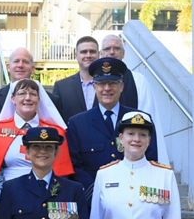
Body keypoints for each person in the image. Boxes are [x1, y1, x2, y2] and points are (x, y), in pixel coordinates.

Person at [67, 57, 158, 190]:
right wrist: (96, 190)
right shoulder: (77, 124)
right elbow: (76, 166)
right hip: (93, 197)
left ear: (121, 86)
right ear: (94, 86)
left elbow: (150, 158)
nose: (107, 88)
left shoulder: (141, 120)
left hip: (132, 195)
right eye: (101, 84)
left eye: (112, 83)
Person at [0, 78, 73, 184]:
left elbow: (63, 175)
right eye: (22, 93)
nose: (27, 98)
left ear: (39, 99)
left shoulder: (56, 132)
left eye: (33, 94)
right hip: (6, 192)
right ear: (13, 99)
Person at [100, 34, 169, 163]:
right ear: (101, 53)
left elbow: (148, 119)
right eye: (107, 48)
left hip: (133, 156)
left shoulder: (139, 81)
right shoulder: (94, 82)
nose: (112, 52)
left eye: (117, 48)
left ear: (124, 53)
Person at [53, 36, 138, 124]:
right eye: (83, 52)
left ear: (99, 54)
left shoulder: (113, 85)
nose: (88, 55)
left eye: (92, 52)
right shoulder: (62, 87)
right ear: (76, 55)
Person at [0, 47, 60, 125]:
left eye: (25, 62)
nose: (20, 65)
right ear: (8, 67)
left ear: (33, 68)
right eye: (16, 61)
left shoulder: (52, 101)